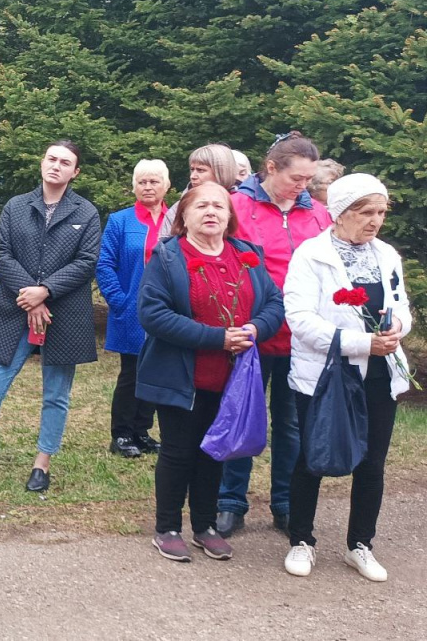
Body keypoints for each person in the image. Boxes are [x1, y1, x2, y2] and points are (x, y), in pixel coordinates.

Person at [138, 182, 284, 562]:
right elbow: (153, 315)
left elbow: (272, 303)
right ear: (184, 216)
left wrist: (254, 329)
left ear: (229, 216)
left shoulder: (247, 255)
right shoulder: (168, 257)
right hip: (182, 376)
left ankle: (204, 526)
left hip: (232, 379)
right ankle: (167, 527)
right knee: (178, 451)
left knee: (214, 453)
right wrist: (216, 338)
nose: (211, 212)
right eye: (201, 205)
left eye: (219, 206)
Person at [0, 142, 100, 491]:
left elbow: (87, 261)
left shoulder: (85, 212)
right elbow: (1, 251)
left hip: (64, 314)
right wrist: (30, 294)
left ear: (75, 172)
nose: (56, 166)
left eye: (65, 162)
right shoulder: (16, 206)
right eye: (51, 159)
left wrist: (46, 292)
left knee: (56, 394)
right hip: (13, 308)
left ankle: (41, 466)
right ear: (42, 163)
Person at [282, 174, 412, 582]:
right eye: (365, 212)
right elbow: (300, 320)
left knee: (372, 462)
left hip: (379, 374)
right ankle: (301, 541)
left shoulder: (386, 254)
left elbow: (400, 306)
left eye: (381, 212)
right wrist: (360, 342)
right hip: (327, 375)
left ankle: (361, 545)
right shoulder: (311, 255)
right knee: (313, 456)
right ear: (339, 213)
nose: (375, 220)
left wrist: (396, 331)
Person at [216, 131, 332, 538]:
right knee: (243, 415)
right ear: (270, 168)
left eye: (308, 179)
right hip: (249, 333)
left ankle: (285, 501)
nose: (303, 186)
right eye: (295, 178)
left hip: (300, 339)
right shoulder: (235, 205)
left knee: (291, 423)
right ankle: (230, 500)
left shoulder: (318, 214)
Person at [97, 159, 170, 458]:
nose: (148, 187)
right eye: (142, 182)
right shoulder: (120, 221)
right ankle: (122, 434)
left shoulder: (177, 220)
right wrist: (120, 300)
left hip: (167, 310)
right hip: (132, 309)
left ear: (167, 186)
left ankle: (142, 431)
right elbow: (104, 265)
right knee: (131, 372)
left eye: (154, 181)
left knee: (157, 371)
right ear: (134, 187)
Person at [158, 144, 238, 239]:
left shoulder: (243, 203)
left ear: (221, 172)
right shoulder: (179, 208)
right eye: (192, 170)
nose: (193, 176)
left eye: (200, 170)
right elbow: (164, 247)